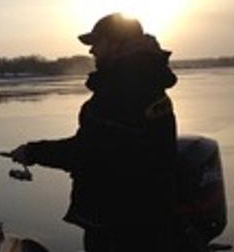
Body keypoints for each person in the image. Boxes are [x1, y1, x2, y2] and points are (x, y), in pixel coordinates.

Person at [11, 13, 178, 252]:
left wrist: (33, 152)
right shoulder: (143, 81)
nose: (92, 51)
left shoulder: (125, 89)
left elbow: (88, 152)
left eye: (97, 43)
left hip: (122, 222)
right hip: (144, 216)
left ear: (117, 43)